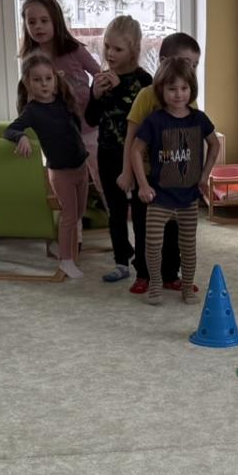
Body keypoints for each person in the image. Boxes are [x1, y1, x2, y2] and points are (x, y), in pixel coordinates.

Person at [130, 58, 218, 308]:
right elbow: (135, 150)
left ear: (191, 88)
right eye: (172, 89)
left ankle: (187, 287)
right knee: (152, 245)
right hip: (159, 198)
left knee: (188, 247)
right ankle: (155, 284)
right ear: (161, 90)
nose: (179, 94)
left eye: (184, 88)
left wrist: (205, 175)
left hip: (188, 197)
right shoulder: (154, 121)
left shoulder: (199, 119)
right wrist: (143, 185)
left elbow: (215, 144)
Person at [124, 31, 200, 296]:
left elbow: (193, 139)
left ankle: (170, 274)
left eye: (195, 65)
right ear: (164, 61)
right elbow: (131, 138)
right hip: (147, 177)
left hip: (176, 181)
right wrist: (127, 173)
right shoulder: (147, 96)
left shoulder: (188, 99)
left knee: (174, 231)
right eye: (187, 63)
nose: (190, 71)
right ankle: (143, 274)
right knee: (146, 229)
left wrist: (195, 175)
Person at [6, 52, 90, 279]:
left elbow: (76, 127)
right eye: (37, 80)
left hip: (81, 167)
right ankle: (65, 260)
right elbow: (10, 129)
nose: (44, 84)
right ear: (28, 83)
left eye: (48, 78)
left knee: (79, 213)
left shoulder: (64, 101)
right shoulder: (32, 111)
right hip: (61, 172)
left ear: (55, 79)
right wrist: (21, 137)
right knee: (69, 216)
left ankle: (61, 247)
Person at [85, 15, 152, 284]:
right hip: (107, 152)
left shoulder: (144, 81)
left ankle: (144, 263)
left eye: (118, 49)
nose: (110, 53)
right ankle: (121, 260)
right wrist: (95, 96)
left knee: (140, 211)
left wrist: (120, 88)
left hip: (138, 155)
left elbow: (144, 117)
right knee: (115, 209)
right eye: (107, 46)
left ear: (133, 50)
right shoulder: (100, 79)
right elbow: (90, 119)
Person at [19, 0, 101, 160]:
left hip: (87, 127)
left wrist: (95, 99)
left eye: (44, 20)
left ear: (56, 21)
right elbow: (28, 95)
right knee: (64, 172)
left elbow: (99, 75)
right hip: (56, 132)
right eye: (32, 22)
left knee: (96, 170)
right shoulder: (30, 59)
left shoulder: (74, 49)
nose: (38, 26)